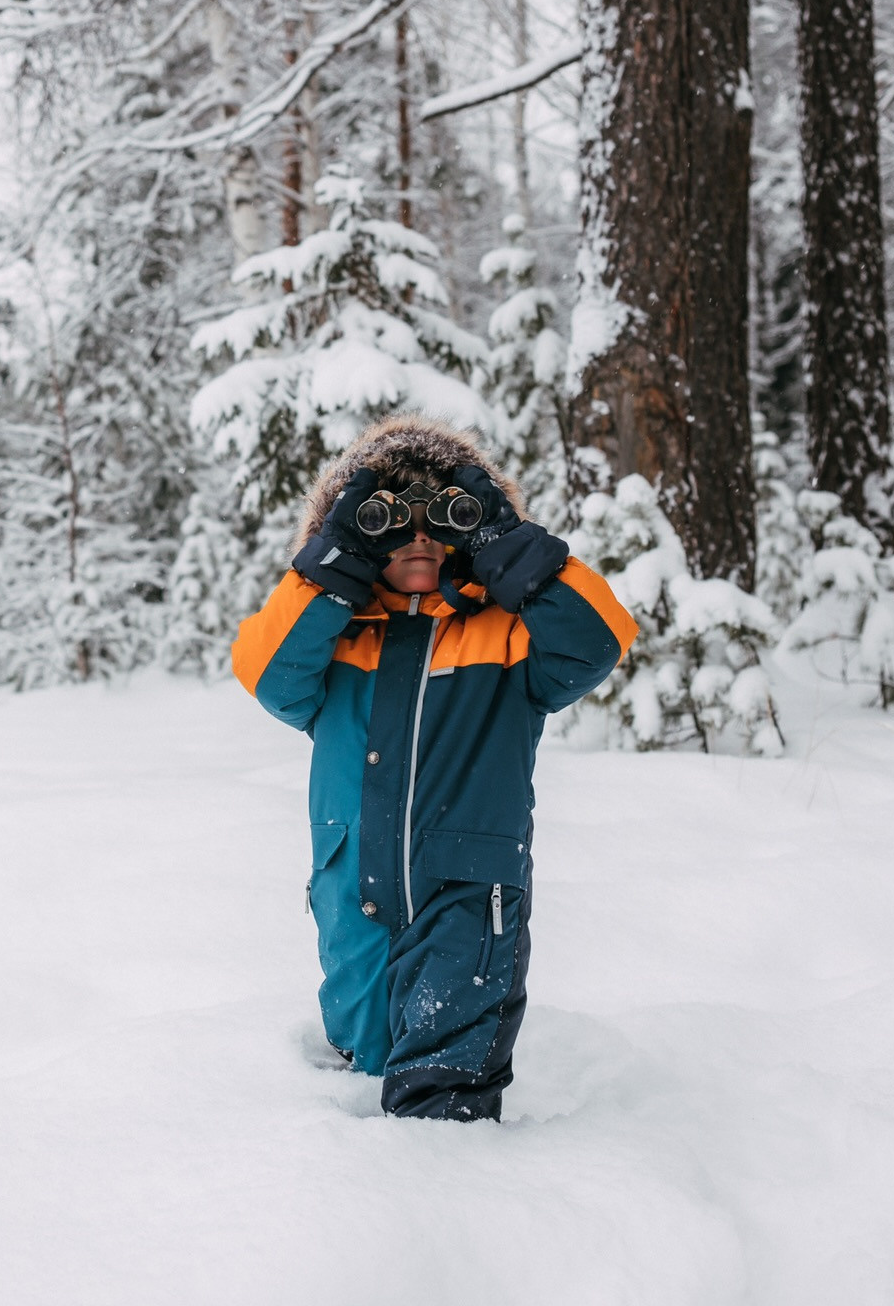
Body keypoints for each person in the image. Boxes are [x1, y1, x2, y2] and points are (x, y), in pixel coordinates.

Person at [232, 416, 637, 1121]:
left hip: (468, 899)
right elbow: (265, 672)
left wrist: (512, 552)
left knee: (443, 1095)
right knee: (358, 1061)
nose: (419, 536)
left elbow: (598, 640)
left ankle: (443, 1203)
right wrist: (331, 567)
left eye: (440, 518)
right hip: (352, 893)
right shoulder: (333, 642)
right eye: (389, 521)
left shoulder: (507, 636)